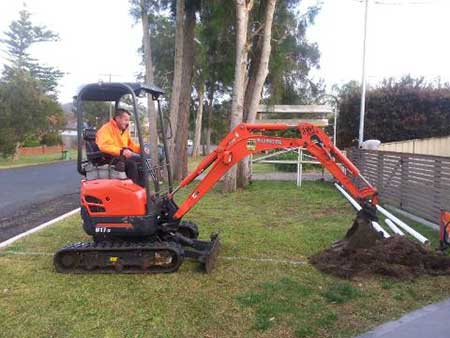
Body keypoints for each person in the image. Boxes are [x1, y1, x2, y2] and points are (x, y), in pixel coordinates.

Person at [96, 108, 144, 186]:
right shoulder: (106, 129)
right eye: (126, 120)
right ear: (118, 118)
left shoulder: (123, 130)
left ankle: (143, 189)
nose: (127, 123)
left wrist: (141, 149)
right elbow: (104, 146)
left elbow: (130, 144)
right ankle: (132, 191)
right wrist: (121, 151)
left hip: (120, 157)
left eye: (128, 120)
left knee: (141, 160)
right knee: (131, 164)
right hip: (108, 158)